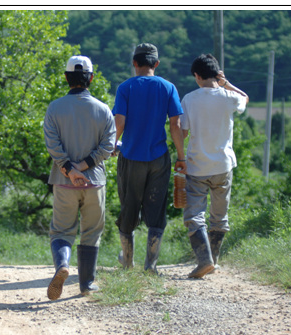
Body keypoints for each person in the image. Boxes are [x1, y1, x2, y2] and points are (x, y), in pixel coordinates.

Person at [43, 55, 116, 300]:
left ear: (66, 78)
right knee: (91, 232)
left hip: (64, 182)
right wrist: (83, 168)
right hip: (94, 181)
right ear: (91, 78)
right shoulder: (103, 109)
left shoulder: (54, 108)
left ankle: (62, 264)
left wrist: (70, 171)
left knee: (62, 232)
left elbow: (52, 144)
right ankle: (87, 283)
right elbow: (108, 147)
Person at [112, 43, 186, 274]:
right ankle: (151, 265)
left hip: (131, 157)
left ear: (134, 63)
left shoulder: (125, 87)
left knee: (129, 206)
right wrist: (181, 156)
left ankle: (127, 262)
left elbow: (120, 122)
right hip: (158, 158)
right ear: (156, 64)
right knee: (157, 208)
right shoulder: (168, 87)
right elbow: (176, 124)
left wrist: (112, 144)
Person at [180, 53, 249, 278]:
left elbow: (183, 130)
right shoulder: (228, 96)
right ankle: (214, 260)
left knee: (194, 215)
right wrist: (226, 83)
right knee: (219, 216)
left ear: (197, 76)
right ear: (217, 74)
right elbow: (245, 98)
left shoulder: (189, 99)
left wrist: (180, 158)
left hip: (197, 166)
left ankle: (204, 259)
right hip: (223, 165)